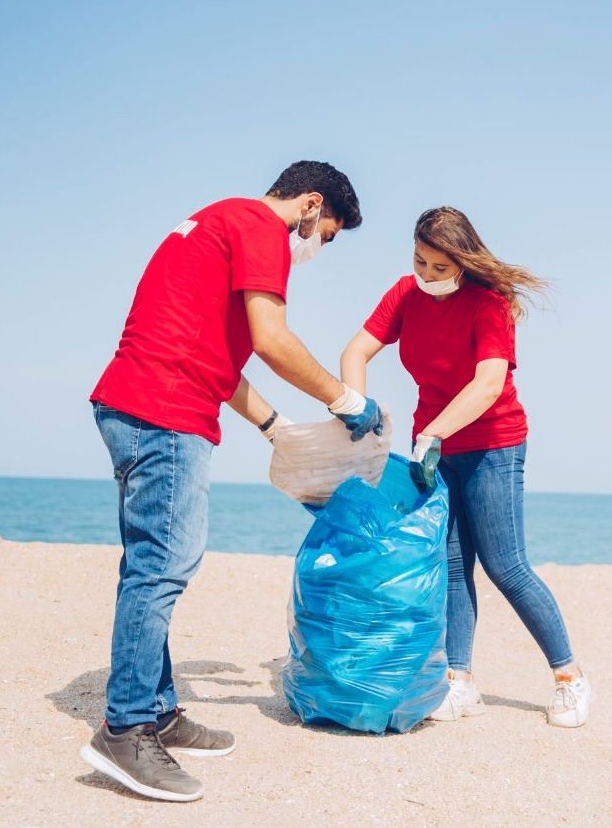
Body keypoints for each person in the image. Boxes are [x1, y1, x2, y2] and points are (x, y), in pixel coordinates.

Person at [84, 161, 383, 802]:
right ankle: (125, 728)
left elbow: (213, 354)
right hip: (162, 412)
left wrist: (276, 428)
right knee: (161, 568)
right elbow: (272, 341)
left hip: (139, 402)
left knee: (150, 562)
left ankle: (159, 710)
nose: (317, 248)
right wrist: (345, 401)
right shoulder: (261, 228)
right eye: (325, 234)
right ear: (309, 205)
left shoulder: (215, 221)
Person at [340, 206, 593, 729]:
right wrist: (355, 409)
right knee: (451, 565)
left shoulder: (488, 304)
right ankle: (460, 682)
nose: (427, 276)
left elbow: (488, 384)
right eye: (420, 263)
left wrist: (435, 432)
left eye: (439, 267)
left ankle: (570, 679)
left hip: (492, 444)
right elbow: (356, 351)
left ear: (462, 262)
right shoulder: (404, 294)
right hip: (433, 449)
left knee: (507, 566)